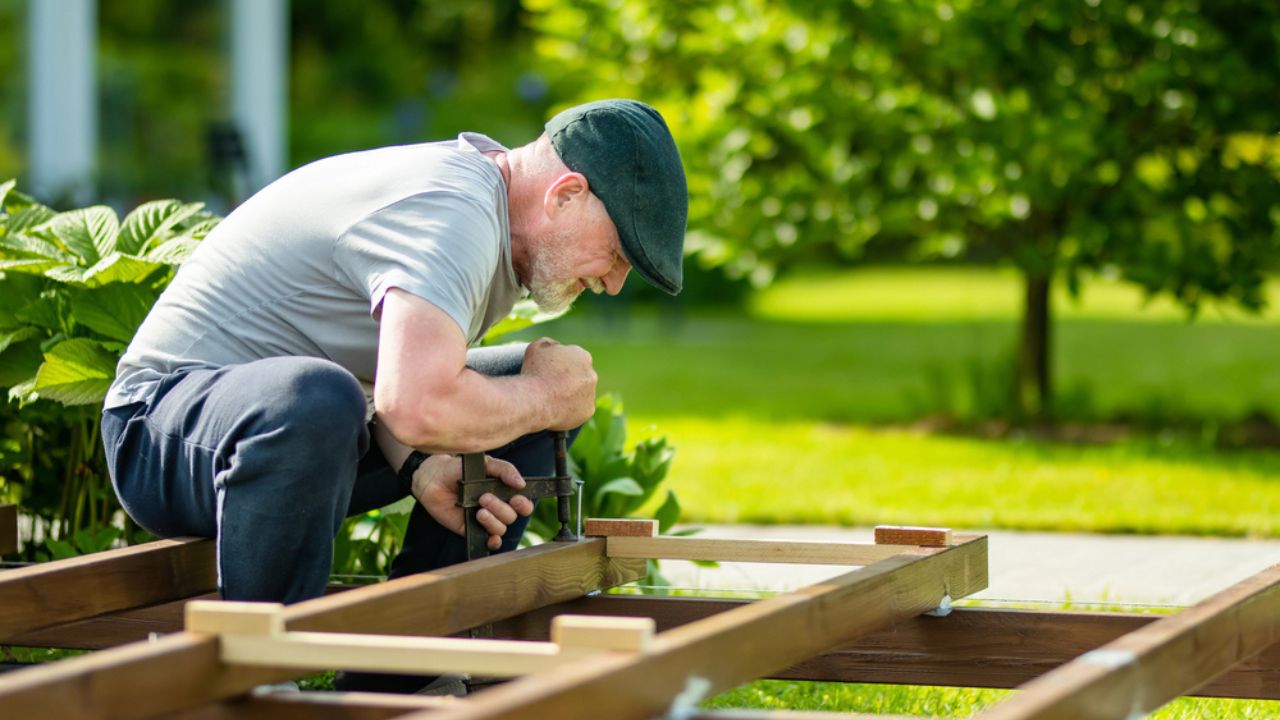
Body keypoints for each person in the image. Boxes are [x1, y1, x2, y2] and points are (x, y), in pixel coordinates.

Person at [99, 99, 688, 608]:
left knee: (509, 386)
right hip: (161, 429)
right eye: (616, 255)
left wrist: (420, 464)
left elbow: (386, 384)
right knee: (344, 398)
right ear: (566, 196)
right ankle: (259, 683)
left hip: (302, 425)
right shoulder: (453, 212)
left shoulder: (496, 225)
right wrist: (543, 398)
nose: (614, 283)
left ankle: (413, 673)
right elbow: (413, 406)